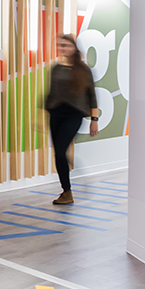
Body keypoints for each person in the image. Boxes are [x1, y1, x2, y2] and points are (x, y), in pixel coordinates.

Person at [44, 33, 99, 205]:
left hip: (74, 114)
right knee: (58, 154)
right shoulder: (56, 68)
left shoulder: (83, 70)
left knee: (61, 152)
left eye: (66, 45)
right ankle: (66, 192)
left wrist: (94, 119)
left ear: (74, 48)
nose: (63, 49)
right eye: (60, 46)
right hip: (56, 114)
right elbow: (51, 93)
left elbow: (92, 95)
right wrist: (43, 112)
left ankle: (67, 191)